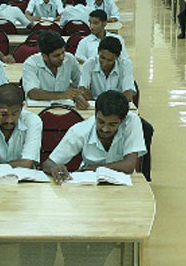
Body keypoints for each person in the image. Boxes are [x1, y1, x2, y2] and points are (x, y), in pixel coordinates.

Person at [42, 90, 146, 266]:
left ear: (123, 120)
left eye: (112, 124)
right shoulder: (80, 130)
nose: (105, 129)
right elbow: (48, 163)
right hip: (88, 192)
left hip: (122, 193)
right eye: (101, 122)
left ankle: (95, 259)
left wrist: (94, 168)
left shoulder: (133, 122)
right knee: (73, 231)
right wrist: (55, 169)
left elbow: (129, 165)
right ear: (95, 114)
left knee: (105, 239)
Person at [22, 31, 87, 108]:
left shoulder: (70, 59)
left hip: (66, 107)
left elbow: (80, 83)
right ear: (44, 56)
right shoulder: (30, 63)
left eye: (63, 52)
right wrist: (62, 95)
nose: (62, 57)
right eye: (56, 55)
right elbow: (32, 93)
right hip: (38, 108)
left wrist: (78, 95)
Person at [0, 84, 42, 168]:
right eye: (4, 114)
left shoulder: (32, 121)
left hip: (23, 175)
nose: (9, 120)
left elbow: (27, 163)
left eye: (14, 114)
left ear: (22, 107)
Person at [79, 37, 135, 102]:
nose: (104, 64)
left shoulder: (125, 65)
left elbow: (128, 92)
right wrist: (97, 105)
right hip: (95, 104)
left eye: (109, 60)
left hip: (118, 105)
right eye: (102, 58)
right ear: (98, 52)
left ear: (117, 57)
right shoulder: (89, 64)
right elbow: (82, 89)